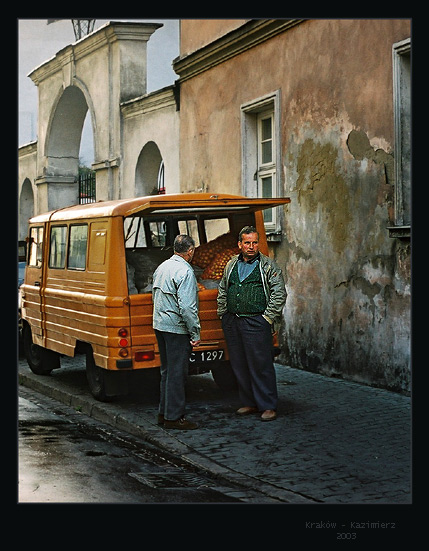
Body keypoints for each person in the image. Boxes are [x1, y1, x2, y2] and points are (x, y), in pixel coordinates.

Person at [217, 226, 287, 421]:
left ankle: (268, 405)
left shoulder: (267, 266)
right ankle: (249, 402)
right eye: (247, 243)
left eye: (254, 242)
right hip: (233, 321)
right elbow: (223, 288)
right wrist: (223, 313)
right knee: (239, 363)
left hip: (256, 321)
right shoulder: (231, 264)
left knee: (261, 364)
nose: (251, 246)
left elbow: (279, 293)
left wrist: (267, 318)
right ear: (240, 244)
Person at [152, 234, 201, 430]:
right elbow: (188, 308)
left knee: (166, 372)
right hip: (176, 328)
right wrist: (195, 333)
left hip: (160, 325)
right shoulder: (185, 272)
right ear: (190, 251)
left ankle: (164, 414)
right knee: (177, 373)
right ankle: (175, 417)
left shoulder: (162, 267)